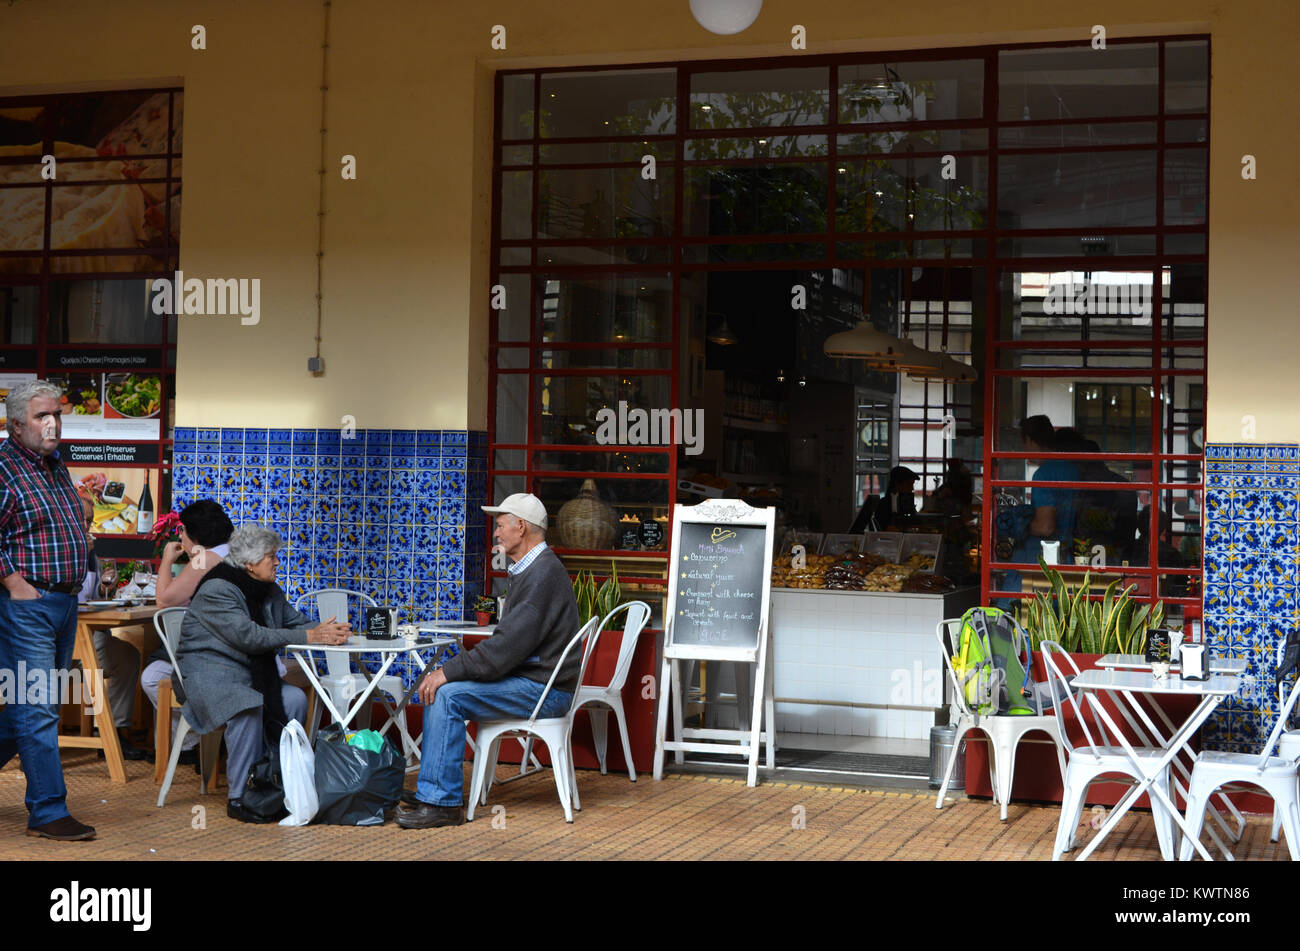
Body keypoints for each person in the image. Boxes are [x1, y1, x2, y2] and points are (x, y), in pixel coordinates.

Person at [397, 492, 580, 830]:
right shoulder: (534, 569)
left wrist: (446, 672)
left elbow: (504, 650)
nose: (496, 534)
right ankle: (433, 790)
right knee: (448, 688)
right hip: (536, 681)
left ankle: (440, 801)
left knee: (447, 694)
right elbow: (508, 649)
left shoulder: (541, 574)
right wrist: (453, 672)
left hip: (545, 690)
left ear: (521, 527)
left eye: (500, 525)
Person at [175, 524, 350, 823]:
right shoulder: (218, 588)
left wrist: (329, 631)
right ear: (249, 563)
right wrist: (313, 637)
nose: (278, 562)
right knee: (247, 704)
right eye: (272, 557)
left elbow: (295, 622)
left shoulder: (268, 590)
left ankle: (278, 783)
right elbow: (250, 637)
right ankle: (240, 795)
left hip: (248, 672)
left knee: (294, 699)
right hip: (210, 675)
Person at [0, 380, 96, 841]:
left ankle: (46, 805)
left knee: (36, 705)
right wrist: (15, 583)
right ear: (17, 425)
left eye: (56, 413)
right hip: (28, 606)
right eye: (42, 416)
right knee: (37, 708)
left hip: (63, 602)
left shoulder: (54, 465)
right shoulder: (3, 468)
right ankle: (47, 811)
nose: (53, 422)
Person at [139, 499, 234, 764]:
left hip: (216, 659)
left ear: (196, 535)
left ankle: (190, 742)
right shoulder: (234, 551)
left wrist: (167, 560)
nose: (180, 536)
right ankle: (192, 742)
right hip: (232, 649)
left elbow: (164, 601)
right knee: (157, 670)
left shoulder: (206, 558)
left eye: (183, 531)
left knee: (152, 677)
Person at [76, 496, 150, 762]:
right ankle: (109, 732)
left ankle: (115, 730)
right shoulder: (65, 550)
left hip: (90, 630)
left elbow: (94, 595)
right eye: (82, 519)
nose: (87, 525)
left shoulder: (91, 551)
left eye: (89, 520)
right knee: (122, 657)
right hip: (66, 636)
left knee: (128, 656)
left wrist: (107, 586)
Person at [849, 465, 918, 533]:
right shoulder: (884, 505)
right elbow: (887, 529)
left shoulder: (906, 504)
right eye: (909, 484)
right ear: (897, 484)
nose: (912, 488)